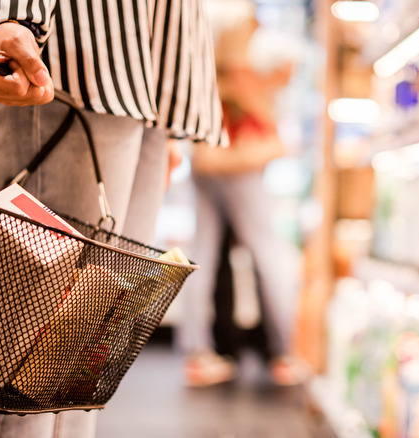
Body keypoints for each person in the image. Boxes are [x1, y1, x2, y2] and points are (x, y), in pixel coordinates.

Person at [0, 0, 223, 436]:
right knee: (14, 383)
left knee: (80, 377)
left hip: (145, 73)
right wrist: (6, 17)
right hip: (64, 60)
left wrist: (165, 107)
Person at [176, 9, 308, 387]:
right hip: (238, 165)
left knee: (201, 252)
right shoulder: (245, 65)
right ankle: (285, 352)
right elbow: (268, 132)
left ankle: (197, 352)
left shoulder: (214, 63)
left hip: (207, 159)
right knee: (269, 253)